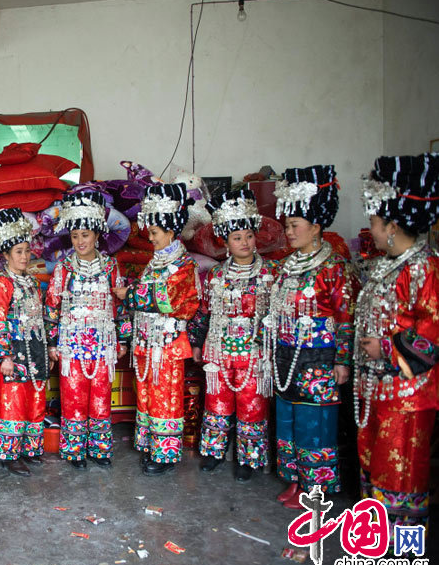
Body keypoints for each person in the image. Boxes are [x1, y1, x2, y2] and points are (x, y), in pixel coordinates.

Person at [263, 165, 357, 509]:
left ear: (315, 227)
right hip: (286, 353)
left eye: (294, 226)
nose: (288, 232)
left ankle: (314, 486)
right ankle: (294, 479)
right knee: (286, 418)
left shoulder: (333, 268)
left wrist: (343, 360)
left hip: (317, 357)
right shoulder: (285, 266)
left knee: (313, 422)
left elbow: (346, 317)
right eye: (287, 225)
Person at [355, 153, 439, 540]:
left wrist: (389, 350)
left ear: (392, 225)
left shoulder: (423, 267)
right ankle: (375, 531)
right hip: (377, 385)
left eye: (373, 221)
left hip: (408, 391)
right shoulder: (388, 264)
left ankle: (404, 544)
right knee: (374, 456)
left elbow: (433, 328)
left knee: (401, 464)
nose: (369, 229)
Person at [188, 189, 277, 481]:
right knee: (216, 403)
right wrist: (198, 342)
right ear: (225, 242)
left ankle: (248, 460)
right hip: (219, 350)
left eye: (248, 236)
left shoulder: (271, 273)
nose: (244, 242)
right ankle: (214, 453)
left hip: (254, 352)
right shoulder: (215, 275)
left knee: (252, 406)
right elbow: (204, 310)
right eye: (237, 238)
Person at [115, 183, 199, 476]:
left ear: (171, 232)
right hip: (147, 340)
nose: (150, 239)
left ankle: (165, 453)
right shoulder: (156, 263)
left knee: (166, 396)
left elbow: (166, 299)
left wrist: (132, 294)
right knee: (147, 394)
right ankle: (151, 444)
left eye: (154, 233)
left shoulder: (183, 266)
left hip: (167, 342)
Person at [44, 190, 128, 468]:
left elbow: (120, 305)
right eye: (76, 235)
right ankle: (75, 451)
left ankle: (100, 449)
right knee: (73, 397)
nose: (80, 241)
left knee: (101, 396)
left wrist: (123, 338)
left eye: (86, 235)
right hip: (71, 343)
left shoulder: (111, 267)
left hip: (103, 343)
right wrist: (53, 343)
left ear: (97, 236)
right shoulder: (63, 269)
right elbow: (52, 306)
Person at [0, 208, 48, 476]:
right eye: (18, 252)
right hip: (13, 353)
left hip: (35, 348)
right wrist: (3, 356)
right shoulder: (0, 282)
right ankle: (9, 455)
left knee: (36, 398)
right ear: (6, 255)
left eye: (26, 250)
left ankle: (29, 449)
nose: (24, 256)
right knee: (13, 403)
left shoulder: (32, 281)